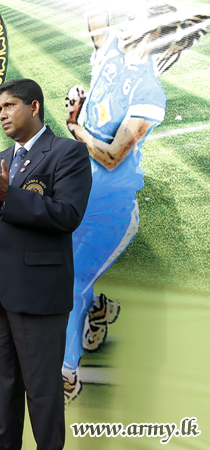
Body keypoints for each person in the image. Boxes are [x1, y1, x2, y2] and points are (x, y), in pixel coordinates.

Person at [63, 4, 210, 402]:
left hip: (113, 207)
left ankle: (67, 374)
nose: (125, 21)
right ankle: (98, 309)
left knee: (70, 279)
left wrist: (75, 127)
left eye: (136, 18)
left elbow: (112, 156)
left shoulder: (149, 92)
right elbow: (95, 14)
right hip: (79, 195)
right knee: (68, 273)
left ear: (154, 33)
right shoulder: (109, 49)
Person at [0, 78, 91, 450]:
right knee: (3, 395)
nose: (1, 114)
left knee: (43, 395)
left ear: (34, 106)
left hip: (38, 296)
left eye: (9, 106)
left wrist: (9, 195)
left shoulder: (67, 153)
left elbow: (67, 215)